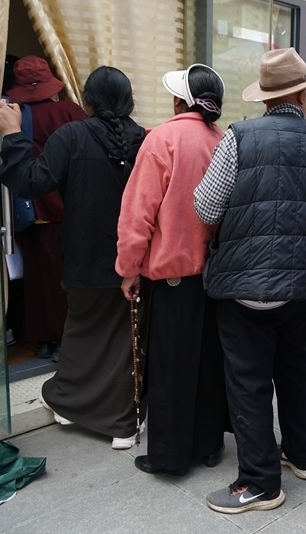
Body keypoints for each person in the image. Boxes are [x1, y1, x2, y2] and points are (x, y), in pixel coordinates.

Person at [195, 48, 306, 514]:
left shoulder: (239, 137)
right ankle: (302, 456)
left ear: (264, 98)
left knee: (248, 380)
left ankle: (260, 483)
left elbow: (206, 206)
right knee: (296, 365)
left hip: (246, 281)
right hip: (304, 282)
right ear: (304, 94)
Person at [0, 66, 146, 450]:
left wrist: (12, 134)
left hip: (83, 258)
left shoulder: (72, 135)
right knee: (122, 342)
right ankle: (111, 419)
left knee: (79, 332)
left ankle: (104, 416)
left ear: (88, 101)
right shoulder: (144, 139)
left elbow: (30, 181)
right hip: (132, 261)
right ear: (129, 101)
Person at [116, 64, 230, 475]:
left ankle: (169, 455)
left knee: (170, 366)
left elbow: (138, 213)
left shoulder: (162, 139)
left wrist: (129, 268)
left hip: (174, 276)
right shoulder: (223, 140)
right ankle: (209, 445)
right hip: (216, 275)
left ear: (181, 101)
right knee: (209, 362)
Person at [4, 55, 87, 359]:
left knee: (37, 280)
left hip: (31, 211)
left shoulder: (14, 116)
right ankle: (66, 339)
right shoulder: (69, 112)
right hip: (68, 209)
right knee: (65, 280)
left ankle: (42, 340)